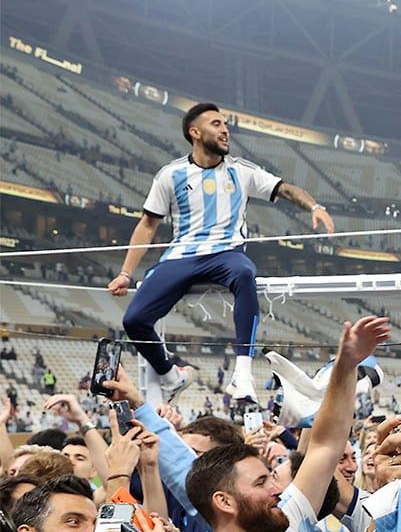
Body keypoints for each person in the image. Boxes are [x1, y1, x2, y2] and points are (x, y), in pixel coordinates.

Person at [108, 102, 335, 404]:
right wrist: (125, 273)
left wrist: (315, 207)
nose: (225, 130)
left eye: (226, 124)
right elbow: (148, 224)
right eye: (216, 124)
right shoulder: (171, 175)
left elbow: (286, 189)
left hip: (226, 254)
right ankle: (171, 376)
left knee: (244, 272)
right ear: (195, 132)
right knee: (134, 320)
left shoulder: (242, 171)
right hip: (181, 256)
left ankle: (242, 374)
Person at [186, 316, 389, 532]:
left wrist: (346, 365)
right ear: (224, 501)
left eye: (270, 477)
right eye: (260, 483)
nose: (277, 488)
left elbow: (324, 447)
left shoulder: (288, 521)